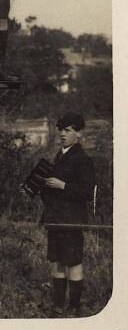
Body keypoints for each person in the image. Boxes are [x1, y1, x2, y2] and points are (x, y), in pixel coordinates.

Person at [39, 112, 96, 316]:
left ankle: (74, 307)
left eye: (68, 130)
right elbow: (50, 188)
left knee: (73, 262)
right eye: (61, 130)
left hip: (72, 219)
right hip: (56, 218)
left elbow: (88, 192)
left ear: (78, 134)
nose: (63, 134)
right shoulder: (60, 155)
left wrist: (63, 185)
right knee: (56, 261)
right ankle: (58, 305)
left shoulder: (82, 159)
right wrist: (34, 186)